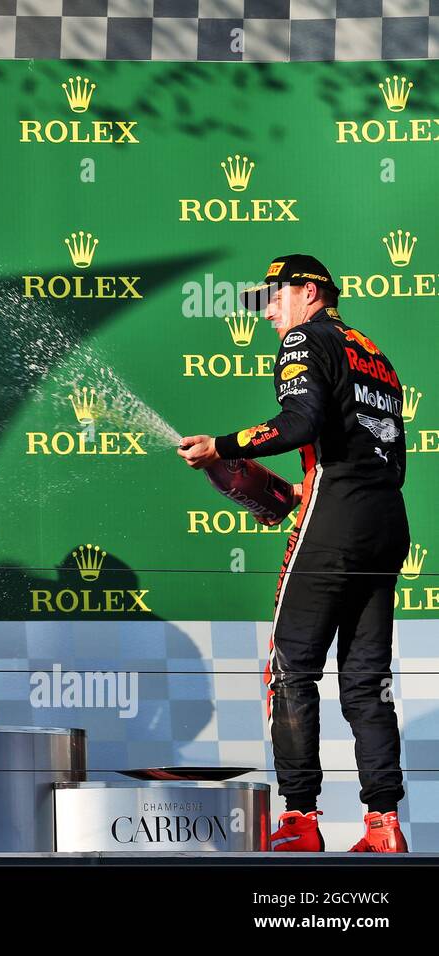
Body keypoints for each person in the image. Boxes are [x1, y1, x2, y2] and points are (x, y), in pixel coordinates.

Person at [179, 254, 410, 853]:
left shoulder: (306, 338)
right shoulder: (373, 352)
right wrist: (281, 489)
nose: (269, 312)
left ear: (310, 293)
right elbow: (362, 446)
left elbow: (300, 422)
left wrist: (222, 447)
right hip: (387, 522)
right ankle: (384, 826)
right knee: (366, 680)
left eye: (276, 297)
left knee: (288, 670)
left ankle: (301, 820)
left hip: (333, 518)